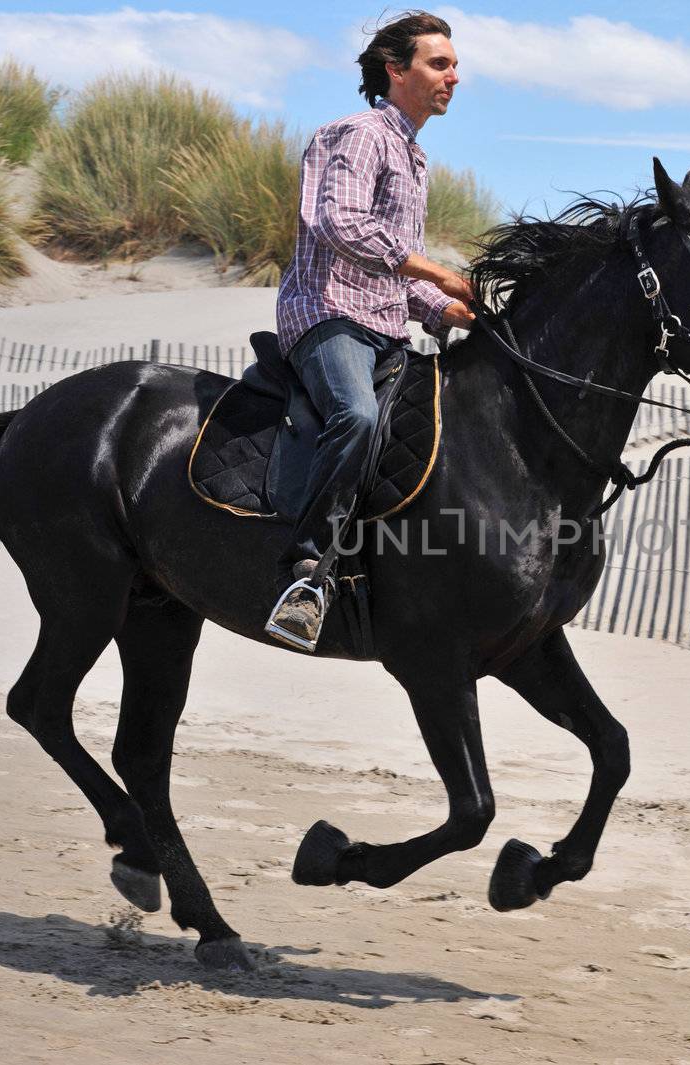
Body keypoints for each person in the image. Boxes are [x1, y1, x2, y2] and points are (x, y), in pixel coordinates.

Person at [266, 11, 476, 650]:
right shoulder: (355, 134)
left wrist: (444, 311)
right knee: (355, 416)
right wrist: (437, 272)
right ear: (396, 70)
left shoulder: (416, 160)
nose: (454, 77)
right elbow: (341, 226)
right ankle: (308, 570)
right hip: (326, 317)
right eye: (439, 64)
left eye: (454, 66)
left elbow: (393, 275)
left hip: (386, 328)